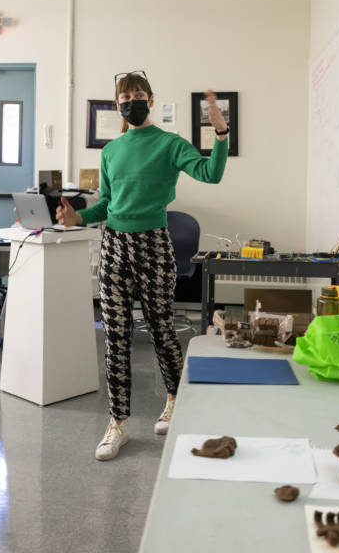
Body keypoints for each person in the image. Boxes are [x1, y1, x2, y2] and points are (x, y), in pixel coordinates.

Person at [57, 71, 229, 461]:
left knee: (161, 328)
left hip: (154, 245)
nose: (131, 101)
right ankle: (117, 423)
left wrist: (220, 136)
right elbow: (106, 204)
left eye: (138, 94)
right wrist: (78, 218)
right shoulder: (110, 151)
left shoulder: (169, 144)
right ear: (117, 104)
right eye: (124, 96)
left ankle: (174, 400)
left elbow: (211, 173)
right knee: (115, 337)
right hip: (114, 246)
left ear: (150, 100)